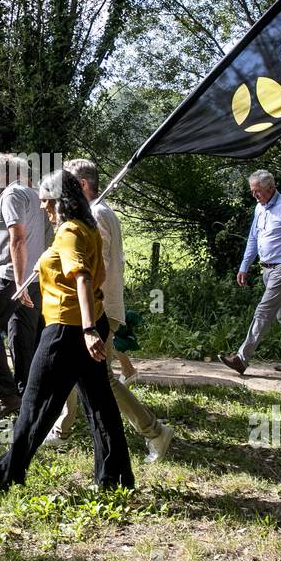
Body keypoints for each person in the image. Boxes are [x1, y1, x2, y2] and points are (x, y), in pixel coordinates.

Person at [0, 169, 134, 491]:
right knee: (100, 405)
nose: (43, 209)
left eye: (47, 203)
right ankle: (115, 480)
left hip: (67, 330)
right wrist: (93, 324)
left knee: (35, 402)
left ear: (61, 201)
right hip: (88, 323)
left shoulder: (70, 231)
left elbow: (83, 277)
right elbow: (97, 277)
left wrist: (86, 329)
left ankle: (6, 473)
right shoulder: (88, 228)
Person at [43, 159, 175, 462]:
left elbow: (89, 269)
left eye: (69, 185)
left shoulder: (96, 215)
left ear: (84, 186)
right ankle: (61, 430)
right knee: (75, 371)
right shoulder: (99, 212)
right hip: (97, 307)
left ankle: (155, 431)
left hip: (99, 307)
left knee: (102, 379)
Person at [0, 153, 49, 423]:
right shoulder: (35, 194)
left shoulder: (12, 195)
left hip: (13, 280)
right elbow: (28, 239)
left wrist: (17, 282)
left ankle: (5, 395)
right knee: (22, 340)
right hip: (34, 278)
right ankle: (28, 402)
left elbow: (18, 238)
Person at [219, 169, 281, 375]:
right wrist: (244, 266)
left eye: (258, 192)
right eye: (252, 192)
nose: (255, 196)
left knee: (263, 310)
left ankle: (242, 358)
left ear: (271, 188)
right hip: (267, 269)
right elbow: (253, 239)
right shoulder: (259, 208)